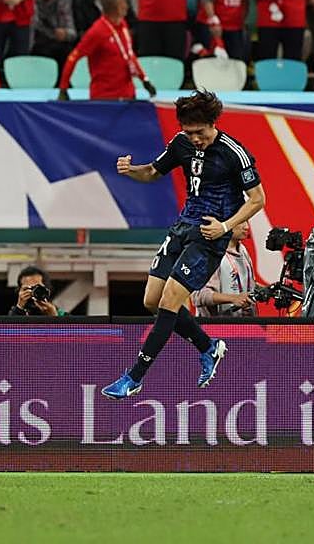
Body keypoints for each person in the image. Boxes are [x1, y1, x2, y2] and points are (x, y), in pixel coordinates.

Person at [103, 90, 266, 400]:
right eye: (189, 132)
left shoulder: (234, 152)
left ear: (213, 123)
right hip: (182, 227)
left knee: (169, 300)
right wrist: (131, 170)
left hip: (209, 235)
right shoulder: (181, 143)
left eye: (199, 132)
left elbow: (258, 199)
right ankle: (208, 346)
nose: (194, 138)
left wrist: (225, 226)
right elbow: (153, 172)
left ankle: (134, 377)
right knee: (151, 300)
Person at [58, 0, 153, 101]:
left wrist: (144, 80)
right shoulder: (97, 31)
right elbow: (73, 58)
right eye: (123, 4)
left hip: (128, 94)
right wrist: (63, 88)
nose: (127, 7)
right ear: (113, 8)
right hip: (104, 97)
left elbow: (129, 55)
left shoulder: (123, 25)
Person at [193, 224, 256, 318]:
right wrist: (233, 298)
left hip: (244, 324)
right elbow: (198, 296)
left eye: (246, 221)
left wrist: (266, 289)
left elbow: (242, 284)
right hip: (215, 325)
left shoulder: (242, 250)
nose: (246, 227)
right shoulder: (209, 253)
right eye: (241, 221)